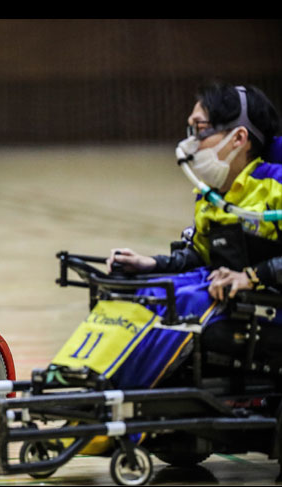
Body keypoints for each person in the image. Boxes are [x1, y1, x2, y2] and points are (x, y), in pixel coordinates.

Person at [104, 82, 281, 389]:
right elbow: (201, 255)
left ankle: (117, 398)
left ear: (239, 137)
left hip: (264, 310)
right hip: (229, 305)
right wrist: (151, 264)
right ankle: (94, 383)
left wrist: (251, 276)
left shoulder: (276, 186)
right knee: (136, 292)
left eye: (200, 130)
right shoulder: (209, 196)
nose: (190, 144)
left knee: (178, 302)